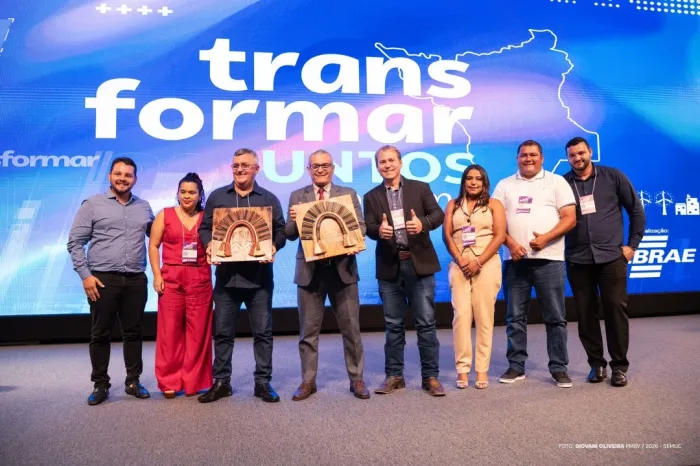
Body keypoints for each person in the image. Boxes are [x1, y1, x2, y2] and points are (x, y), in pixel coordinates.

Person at [197, 148, 286, 403]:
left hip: (259, 280)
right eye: (236, 165)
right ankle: (221, 382)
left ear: (256, 169)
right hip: (227, 279)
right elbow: (205, 228)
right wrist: (210, 244)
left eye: (245, 165)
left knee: (263, 333)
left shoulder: (268, 198)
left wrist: (274, 245)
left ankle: (262, 383)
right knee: (223, 334)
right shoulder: (217, 197)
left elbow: (280, 230)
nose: (240, 169)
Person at [67, 157, 154, 405]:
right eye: (118, 174)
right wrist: (86, 276)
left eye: (128, 175)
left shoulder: (144, 207)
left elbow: (159, 237)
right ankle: (100, 384)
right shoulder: (92, 205)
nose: (122, 179)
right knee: (100, 333)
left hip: (136, 279)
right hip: (102, 280)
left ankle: (133, 381)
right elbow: (75, 243)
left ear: (135, 179)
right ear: (109, 176)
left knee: (133, 332)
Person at [285, 150, 369, 401]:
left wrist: (355, 240)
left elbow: (361, 227)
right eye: (315, 166)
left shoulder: (348, 194)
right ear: (308, 169)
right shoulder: (297, 196)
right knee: (308, 332)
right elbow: (289, 234)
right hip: (310, 273)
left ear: (333, 168)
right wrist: (294, 221)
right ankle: (308, 381)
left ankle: (357, 379)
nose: (320, 169)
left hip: (343, 271)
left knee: (351, 329)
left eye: (325, 165)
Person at [492, 140, 577, 388]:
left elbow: (570, 218)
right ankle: (516, 366)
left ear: (542, 158)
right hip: (515, 261)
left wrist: (546, 238)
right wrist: (510, 244)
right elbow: (495, 222)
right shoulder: (504, 185)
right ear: (517, 158)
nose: (528, 159)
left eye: (533, 155)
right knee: (514, 318)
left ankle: (559, 368)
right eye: (523, 155)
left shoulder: (557, 182)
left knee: (555, 317)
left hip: (549, 259)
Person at [363, 145, 446, 396]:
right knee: (393, 325)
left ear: (400, 163)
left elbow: (438, 214)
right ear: (377, 166)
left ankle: (430, 377)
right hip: (390, 265)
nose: (387, 165)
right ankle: (394, 375)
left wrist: (423, 224)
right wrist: (378, 231)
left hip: (419, 264)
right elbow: (368, 227)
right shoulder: (371, 196)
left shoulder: (420, 188)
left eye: (391, 160)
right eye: (382, 162)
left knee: (426, 323)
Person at [563, 136, 645, 387]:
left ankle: (619, 366)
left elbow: (636, 210)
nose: (577, 158)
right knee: (585, 313)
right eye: (572, 155)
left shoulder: (613, 176)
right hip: (578, 259)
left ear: (590, 152)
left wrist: (632, 245)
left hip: (611, 257)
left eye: (581, 153)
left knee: (615, 310)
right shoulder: (563, 184)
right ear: (568, 158)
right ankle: (596, 364)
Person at [149, 173, 213, 398]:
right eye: (183, 192)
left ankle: (193, 381)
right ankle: (170, 381)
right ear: (177, 193)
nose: (187, 196)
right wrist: (157, 275)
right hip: (171, 279)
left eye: (192, 192)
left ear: (199, 195)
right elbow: (154, 245)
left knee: (198, 333)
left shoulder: (207, 217)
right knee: (170, 332)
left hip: (200, 278)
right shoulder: (164, 215)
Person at [443, 164, 506, 389]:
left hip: (486, 264)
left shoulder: (494, 204)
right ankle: (462, 370)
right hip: (459, 264)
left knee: (484, 317)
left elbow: (499, 236)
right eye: (469, 178)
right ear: (463, 181)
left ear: (484, 182)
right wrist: (461, 260)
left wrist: (478, 262)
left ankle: (481, 370)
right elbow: (447, 235)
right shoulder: (453, 204)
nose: (473, 182)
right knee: (461, 316)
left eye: (478, 178)